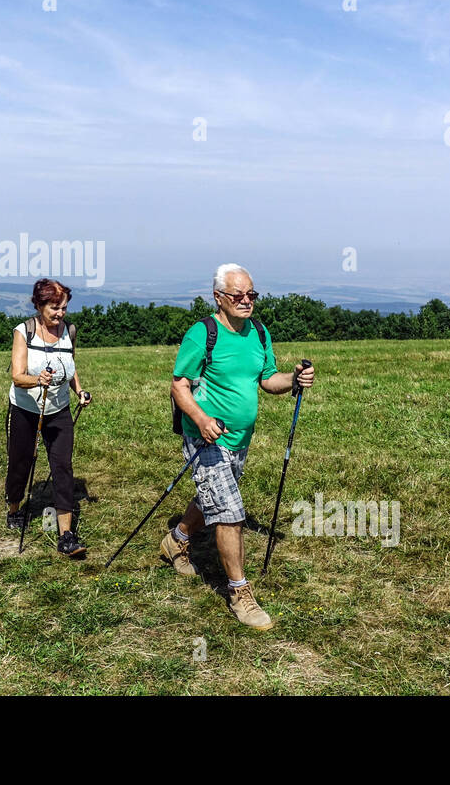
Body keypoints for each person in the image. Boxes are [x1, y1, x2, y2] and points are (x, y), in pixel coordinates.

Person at [162, 263, 316, 629]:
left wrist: (294, 379)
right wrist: (201, 420)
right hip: (205, 436)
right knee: (230, 511)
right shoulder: (203, 334)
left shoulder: (259, 333)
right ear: (219, 297)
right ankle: (239, 592)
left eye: (252, 295)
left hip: (240, 439)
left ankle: (178, 539)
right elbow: (179, 386)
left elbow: (267, 380)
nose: (247, 301)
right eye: (238, 295)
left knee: (212, 497)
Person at [5, 278, 92, 558]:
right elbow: (17, 376)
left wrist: (79, 390)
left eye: (64, 308)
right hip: (25, 409)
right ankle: (15, 508)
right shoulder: (24, 332)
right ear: (39, 305)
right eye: (54, 308)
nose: (60, 314)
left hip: (60, 410)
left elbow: (71, 365)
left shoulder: (69, 331)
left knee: (63, 468)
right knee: (21, 462)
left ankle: (66, 536)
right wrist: (36, 379)